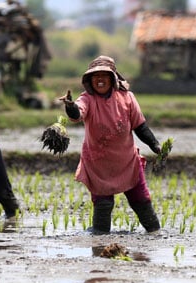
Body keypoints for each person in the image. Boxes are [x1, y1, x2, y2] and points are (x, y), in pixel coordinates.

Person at [59, 55, 162, 234]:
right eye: (95, 76)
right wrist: (70, 106)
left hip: (127, 161)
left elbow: (140, 126)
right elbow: (77, 114)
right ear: (90, 80)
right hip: (99, 164)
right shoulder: (87, 99)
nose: (100, 79)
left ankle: (154, 233)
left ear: (113, 78)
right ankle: (99, 245)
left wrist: (155, 145)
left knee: (141, 200)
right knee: (103, 205)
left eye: (104, 75)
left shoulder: (127, 98)